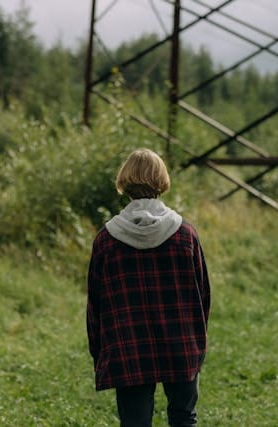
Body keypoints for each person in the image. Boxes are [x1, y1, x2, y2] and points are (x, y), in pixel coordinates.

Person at [87, 148, 211, 427]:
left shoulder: (106, 240)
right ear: (162, 181)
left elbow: (96, 305)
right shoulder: (185, 235)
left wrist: (101, 352)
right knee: (183, 417)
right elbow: (203, 296)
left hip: (128, 345)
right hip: (180, 344)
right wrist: (197, 344)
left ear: (124, 181)